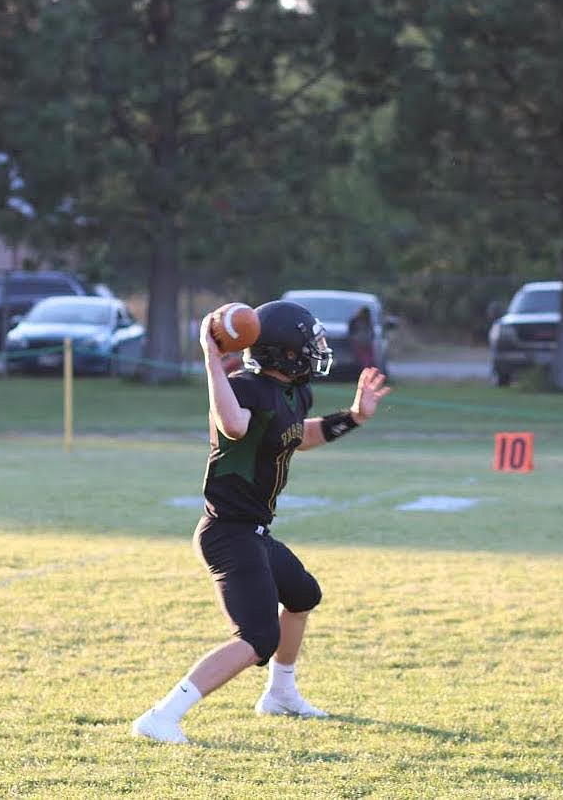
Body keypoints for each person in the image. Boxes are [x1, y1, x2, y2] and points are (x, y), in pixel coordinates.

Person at [131, 299, 391, 744]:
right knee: (256, 636)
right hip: (227, 532)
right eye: (308, 344)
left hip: (254, 531)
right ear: (283, 352)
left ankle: (281, 693)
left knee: (303, 594)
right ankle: (160, 716)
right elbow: (233, 425)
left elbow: (298, 436)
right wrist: (212, 359)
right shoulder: (243, 387)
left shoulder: (294, 392)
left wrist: (353, 419)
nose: (317, 350)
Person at [348, 305, 375, 370]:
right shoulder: (355, 321)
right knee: (362, 358)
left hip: (366, 342)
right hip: (358, 342)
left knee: (367, 359)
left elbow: (372, 333)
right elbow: (351, 332)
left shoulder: (368, 321)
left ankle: (366, 369)